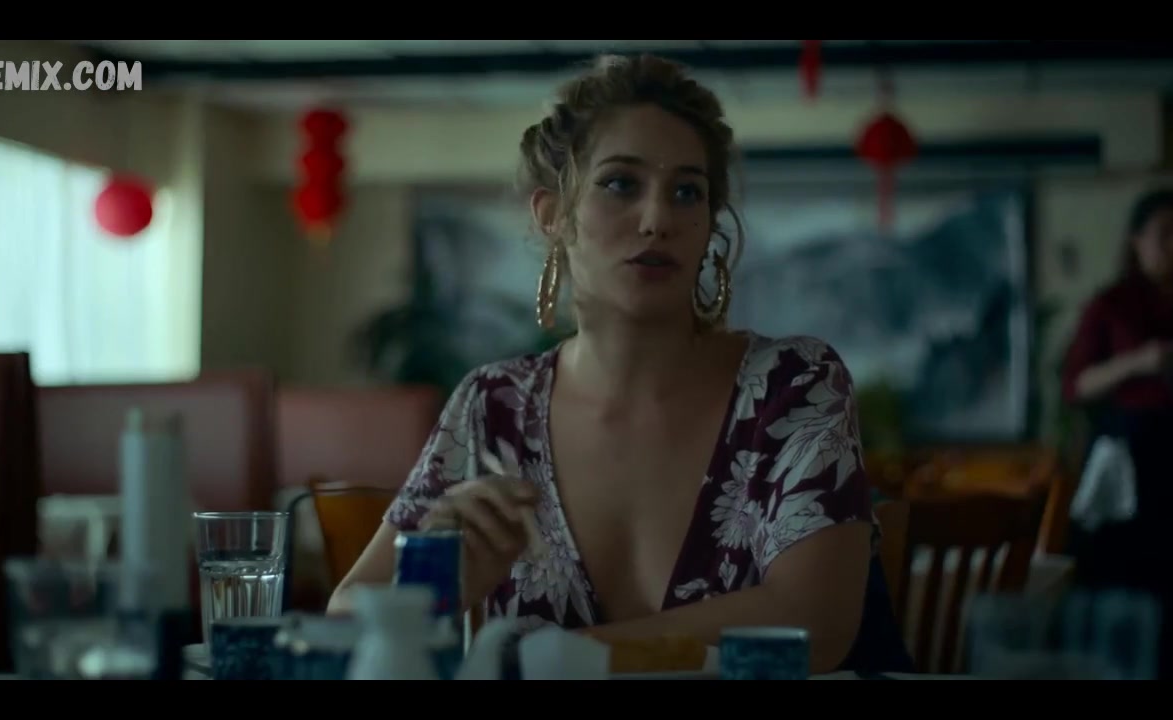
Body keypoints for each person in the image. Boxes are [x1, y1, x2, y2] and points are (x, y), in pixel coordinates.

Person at [329, 53, 910, 675]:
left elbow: (812, 622)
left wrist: (546, 658)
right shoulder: (492, 407)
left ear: (708, 226)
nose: (657, 219)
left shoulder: (791, 386)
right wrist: (432, 580)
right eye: (620, 184)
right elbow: (344, 619)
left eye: (686, 192)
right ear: (553, 215)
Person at [1060, 187, 1173, 679]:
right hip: (1131, 458)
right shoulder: (1112, 304)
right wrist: (1138, 361)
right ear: (1137, 240)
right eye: (1166, 233)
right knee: (1124, 583)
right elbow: (1076, 384)